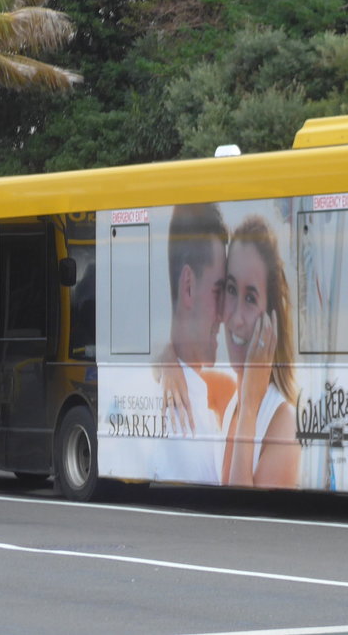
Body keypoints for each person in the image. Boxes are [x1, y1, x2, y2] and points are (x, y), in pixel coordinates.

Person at [152, 203, 236, 483]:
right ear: (188, 286)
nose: (225, 314)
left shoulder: (201, 392)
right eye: (218, 291)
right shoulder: (191, 417)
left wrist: (165, 355)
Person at [219, 214, 301, 488]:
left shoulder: (283, 424)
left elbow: (243, 515)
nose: (237, 317)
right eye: (231, 289)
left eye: (251, 298)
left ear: (271, 320)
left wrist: (250, 409)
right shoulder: (231, 400)